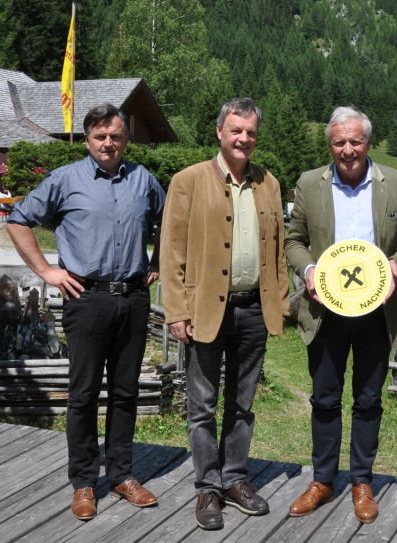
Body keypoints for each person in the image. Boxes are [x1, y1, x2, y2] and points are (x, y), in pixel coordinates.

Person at [6, 103, 165, 521]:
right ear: (88, 140)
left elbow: (170, 222)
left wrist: (159, 261)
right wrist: (47, 271)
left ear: (125, 138)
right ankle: (83, 482)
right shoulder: (65, 180)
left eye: (115, 136)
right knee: (84, 394)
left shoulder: (144, 180)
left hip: (133, 298)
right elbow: (18, 220)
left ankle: (122, 474)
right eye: (100, 136)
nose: (108, 143)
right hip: (86, 298)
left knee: (126, 392)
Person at [285, 106, 397, 524]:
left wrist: (393, 267)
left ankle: (362, 481)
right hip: (325, 310)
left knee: (368, 400)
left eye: (355, 141)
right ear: (330, 145)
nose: (348, 150)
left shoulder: (396, 183)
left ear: (368, 142)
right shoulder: (309, 183)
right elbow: (294, 241)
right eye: (339, 142)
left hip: (376, 313)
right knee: (325, 399)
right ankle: (323, 481)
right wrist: (309, 271)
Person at [159, 97, 289, 531]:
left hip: (253, 309)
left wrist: (280, 302)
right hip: (203, 311)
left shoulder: (269, 183)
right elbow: (171, 252)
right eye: (236, 130)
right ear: (219, 131)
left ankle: (234, 479)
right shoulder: (188, 180)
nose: (243, 138)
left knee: (243, 403)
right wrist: (176, 310)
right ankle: (207, 487)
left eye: (250, 132)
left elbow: (277, 249)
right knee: (202, 405)